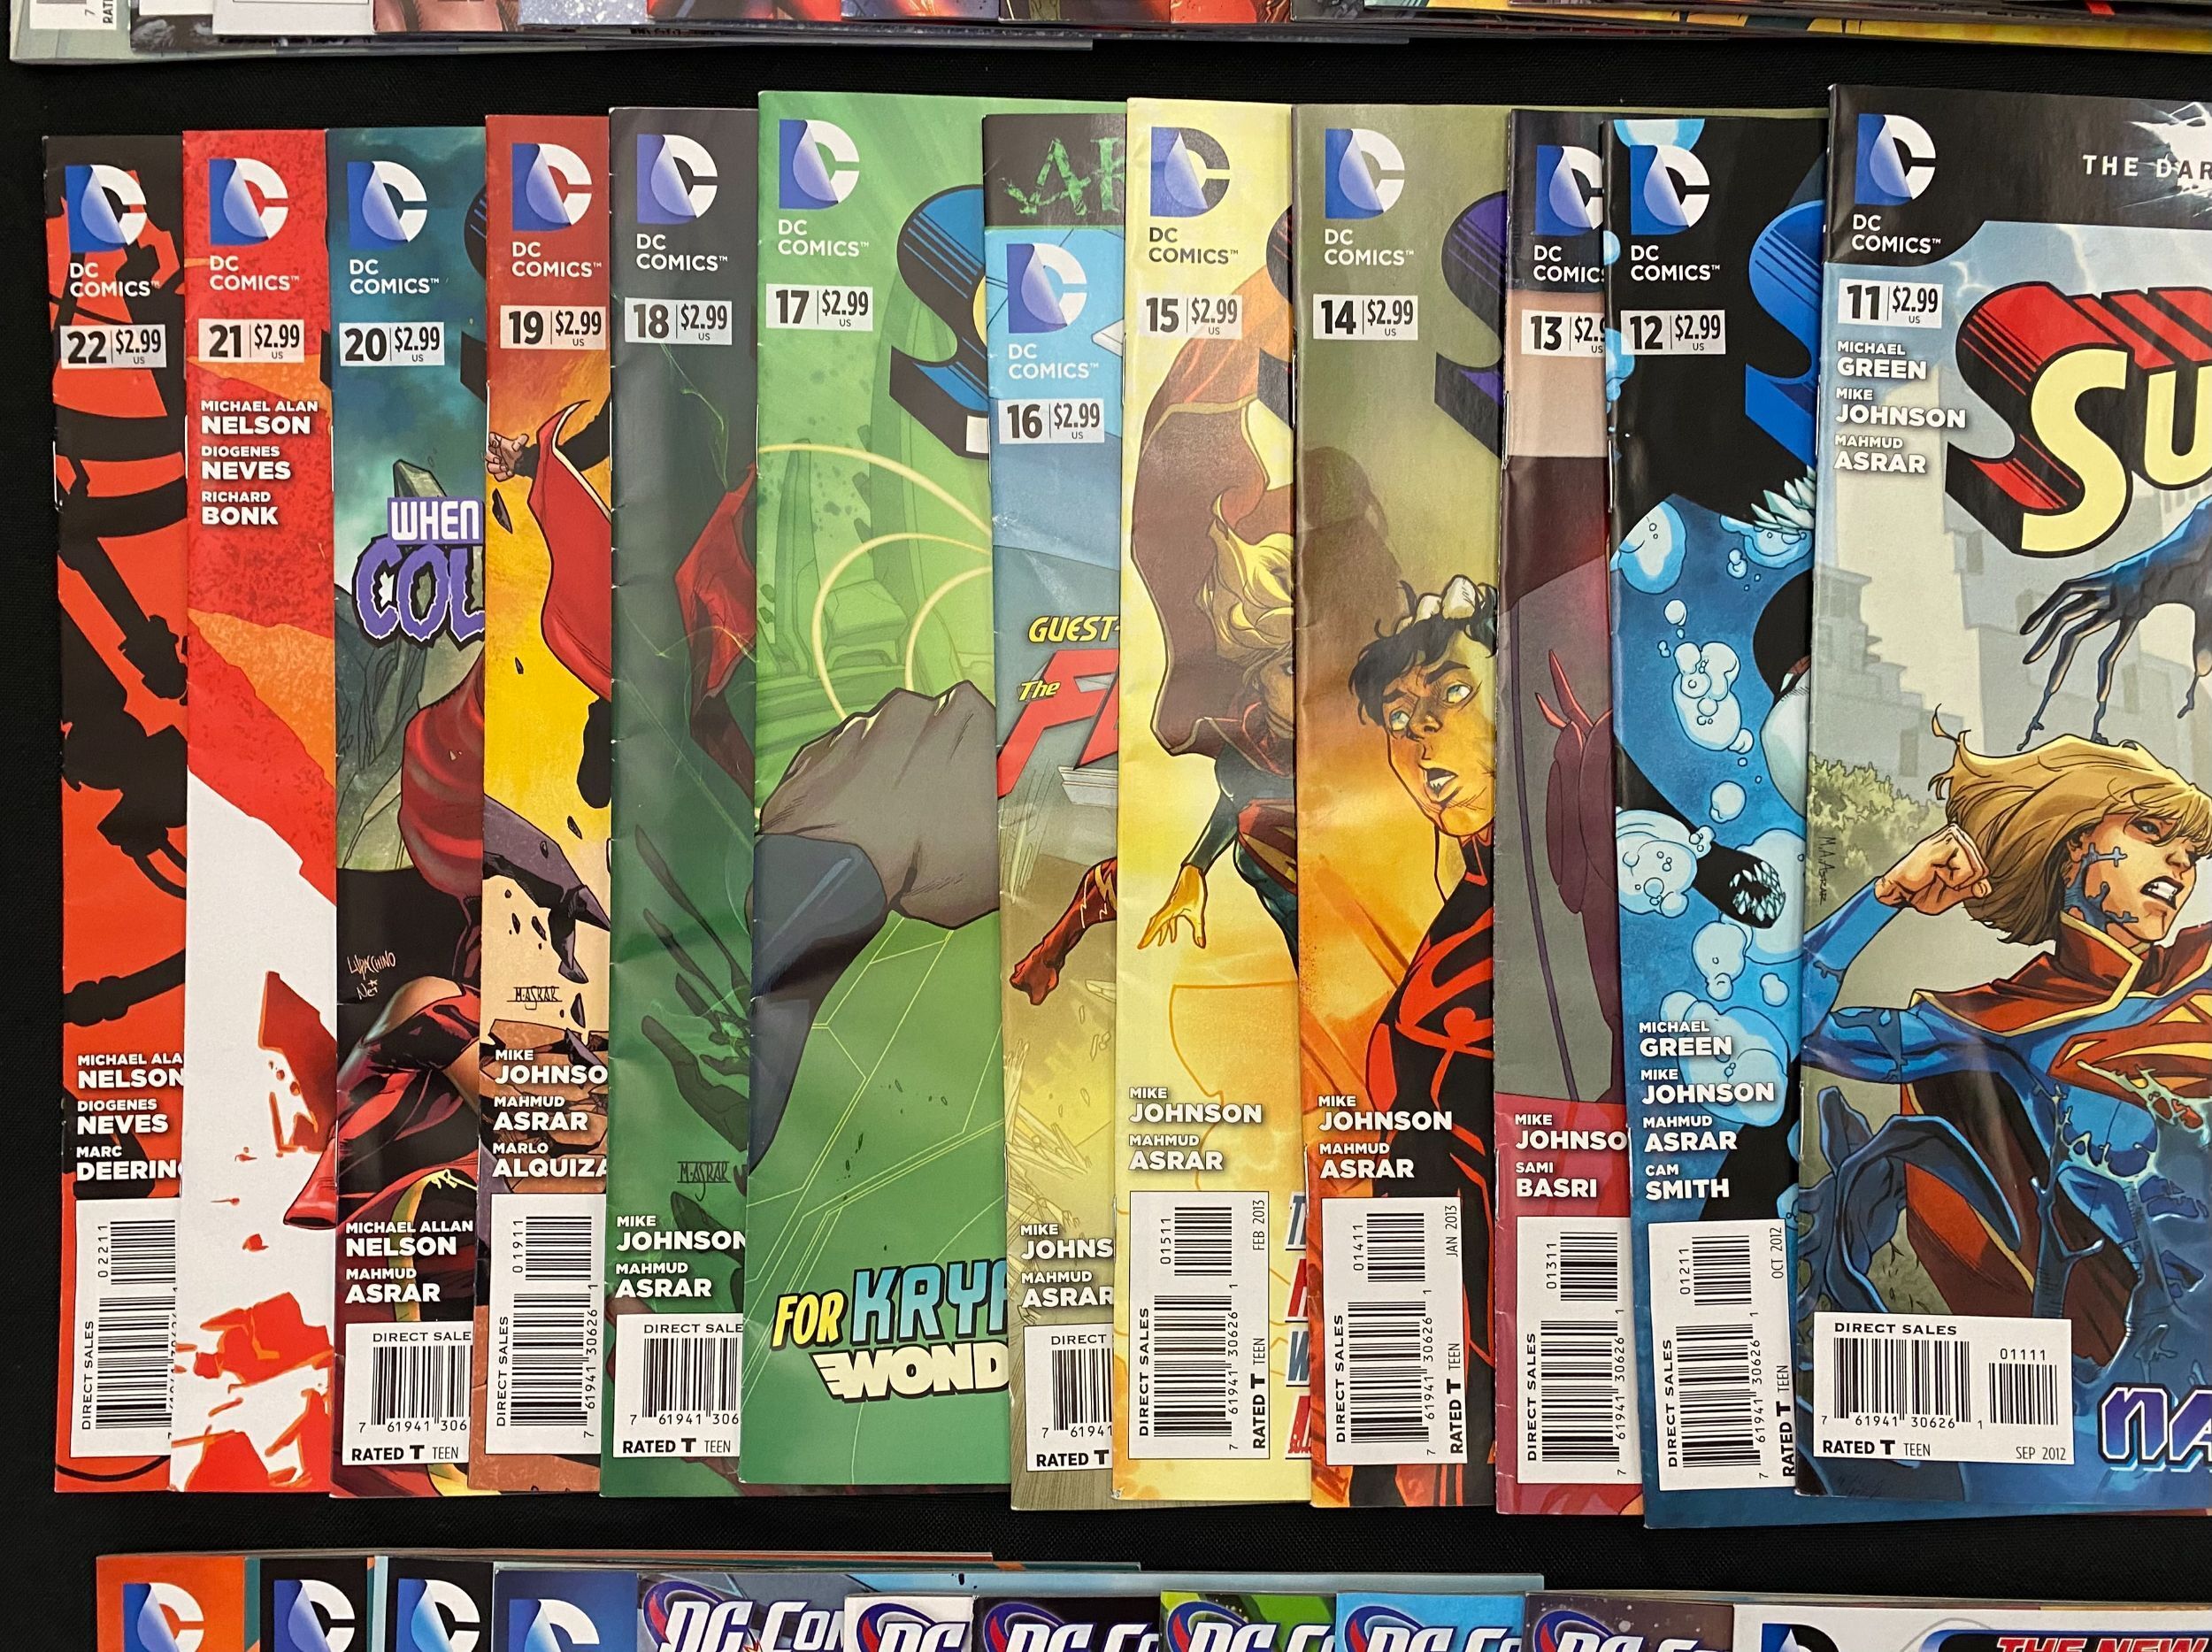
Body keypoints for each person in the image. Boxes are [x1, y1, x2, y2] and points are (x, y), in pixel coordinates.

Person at [1801, 728, 2212, 1371]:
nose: (2181, 864)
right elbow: (1788, 1033)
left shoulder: (2201, 961)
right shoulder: (2001, 1018)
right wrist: (1887, 895)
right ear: (2076, 846)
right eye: (2152, 831)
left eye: (2191, 850)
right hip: (2143, 1351)